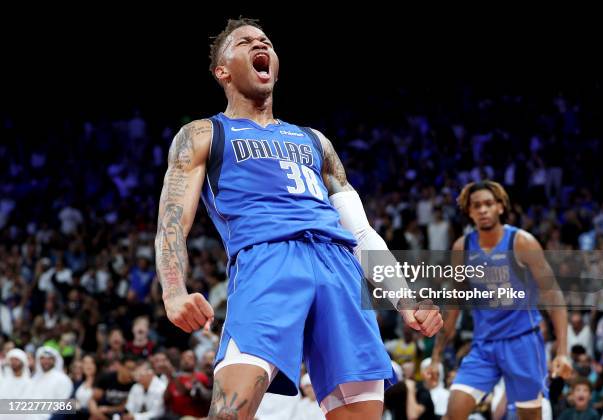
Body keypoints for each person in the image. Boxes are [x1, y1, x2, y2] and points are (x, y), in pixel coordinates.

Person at [154, 17, 442, 419]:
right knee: (229, 412)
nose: (261, 44)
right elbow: (172, 224)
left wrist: (402, 294)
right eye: (246, 42)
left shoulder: (315, 141)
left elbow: (358, 229)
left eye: (266, 41)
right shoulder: (203, 134)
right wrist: (173, 292)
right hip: (268, 261)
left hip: (338, 268)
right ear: (222, 71)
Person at [427, 180, 573, 420]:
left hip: (523, 342)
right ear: (469, 211)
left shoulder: (522, 242)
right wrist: (435, 358)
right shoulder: (462, 248)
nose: (483, 210)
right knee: (453, 413)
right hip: (484, 345)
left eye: (488, 204)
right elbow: (453, 304)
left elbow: (553, 295)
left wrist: (562, 351)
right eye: (476, 206)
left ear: (500, 207)